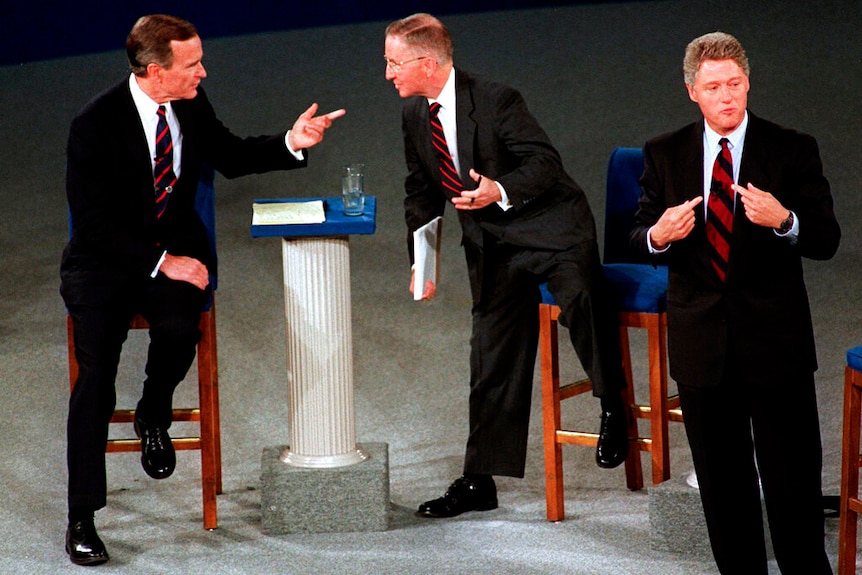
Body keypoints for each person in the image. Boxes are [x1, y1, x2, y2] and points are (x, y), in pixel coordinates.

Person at [61, 14, 343, 566]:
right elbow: (93, 224)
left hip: (176, 254)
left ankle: (154, 412)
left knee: (178, 329)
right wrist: (164, 262)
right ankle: (82, 516)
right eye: (191, 65)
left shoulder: (189, 101)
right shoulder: (93, 123)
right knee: (95, 378)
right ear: (153, 72)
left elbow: (231, 155)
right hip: (106, 265)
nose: (203, 72)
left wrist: (292, 141)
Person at [384, 13, 630, 519]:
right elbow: (421, 190)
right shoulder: (414, 115)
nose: (387, 74)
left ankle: (613, 408)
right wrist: (422, 260)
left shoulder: (496, 100)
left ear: (427, 64)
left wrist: (497, 189)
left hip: (550, 228)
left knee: (582, 296)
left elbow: (544, 163)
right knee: (491, 352)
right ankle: (479, 481)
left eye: (393, 63)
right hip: (494, 244)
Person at [630, 32, 838, 574]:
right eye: (714, 87)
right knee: (724, 494)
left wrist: (785, 221)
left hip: (775, 344)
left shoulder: (792, 147)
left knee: (792, 487)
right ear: (691, 91)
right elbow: (634, 237)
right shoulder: (663, 152)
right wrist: (659, 233)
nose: (728, 98)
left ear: (749, 83)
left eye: (736, 85)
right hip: (702, 345)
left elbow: (826, 238)